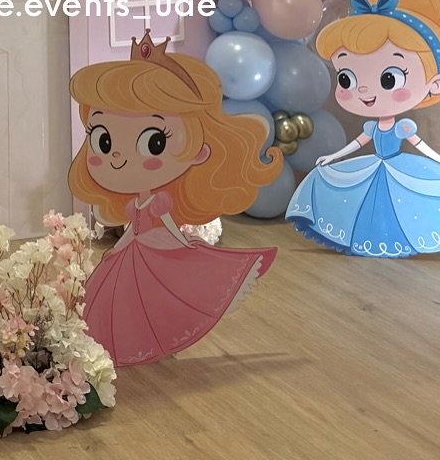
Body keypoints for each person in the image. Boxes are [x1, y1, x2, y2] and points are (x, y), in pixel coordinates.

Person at [68, 32, 281, 366]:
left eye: (153, 142)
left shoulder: (160, 202)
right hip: (136, 249)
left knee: (161, 291)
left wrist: (184, 243)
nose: (117, 157)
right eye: (103, 140)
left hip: (158, 248)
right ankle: (132, 335)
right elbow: (133, 228)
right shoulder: (137, 199)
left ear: (199, 150)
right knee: (127, 292)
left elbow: (164, 223)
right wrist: (119, 246)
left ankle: (155, 334)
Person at [287, 0, 440, 257]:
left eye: (389, 79)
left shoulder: (404, 126)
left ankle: (394, 241)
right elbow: (358, 143)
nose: (364, 90)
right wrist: (332, 157)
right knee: (366, 205)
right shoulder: (371, 126)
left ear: (435, 84)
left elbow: (420, 145)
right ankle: (371, 241)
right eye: (346, 78)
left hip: (399, 171)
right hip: (374, 167)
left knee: (399, 207)